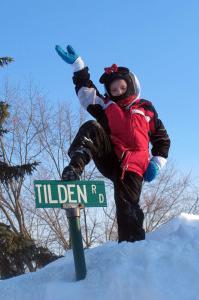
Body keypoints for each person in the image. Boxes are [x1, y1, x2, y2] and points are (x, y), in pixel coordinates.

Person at [55, 45, 170, 243]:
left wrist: (157, 162)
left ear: (131, 86)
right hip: (111, 157)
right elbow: (86, 93)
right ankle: (74, 169)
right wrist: (77, 66)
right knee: (92, 127)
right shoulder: (108, 106)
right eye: (113, 89)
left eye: (122, 88)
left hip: (134, 166)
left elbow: (161, 138)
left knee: (127, 206)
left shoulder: (146, 109)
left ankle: (131, 248)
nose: (118, 92)